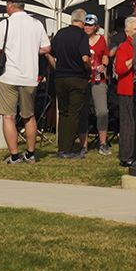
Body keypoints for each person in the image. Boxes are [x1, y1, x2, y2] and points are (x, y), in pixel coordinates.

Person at [0, 0, 51, 165]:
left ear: (10, 4)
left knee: (8, 116)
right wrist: (32, 51)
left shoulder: (5, 23)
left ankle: (14, 155)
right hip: (30, 76)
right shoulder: (36, 23)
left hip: (7, 75)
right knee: (29, 116)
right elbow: (46, 48)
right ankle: (31, 153)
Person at [49, 9, 92, 159]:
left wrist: (56, 67)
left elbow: (49, 51)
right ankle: (67, 149)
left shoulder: (60, 33)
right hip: (77, 78)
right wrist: (89, 69)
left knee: (63, 112)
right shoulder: (82, 36)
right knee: (74, 113)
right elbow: (85, 58)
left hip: (60, 77)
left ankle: (61, 147)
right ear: (83, 20)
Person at [114, 16, 136, 167]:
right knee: (127, 124)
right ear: (128, 32)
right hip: (126, 90)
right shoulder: (123, 47)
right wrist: (134, 60)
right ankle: (126, 155)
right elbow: (119, 69)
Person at [85, 14, 111, 154]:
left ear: (96, 27)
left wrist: (104, 65)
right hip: (84, 78)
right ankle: (83, 144)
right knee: (83, 111)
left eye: (90, 25)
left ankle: (103, 142)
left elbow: (106, 55)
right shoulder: (81, 39)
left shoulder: (101, 39)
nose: (88, 27)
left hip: (98, 78)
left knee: (102, 111)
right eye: (86, 25)